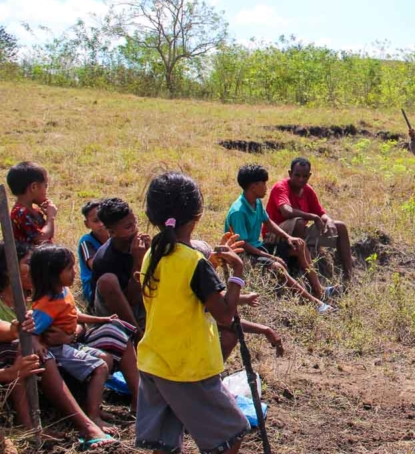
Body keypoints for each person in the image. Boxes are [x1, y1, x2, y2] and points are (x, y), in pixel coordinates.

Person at [136, 171, 250, 454]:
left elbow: (179, 289)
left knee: (166, 443)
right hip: (187, 368)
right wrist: (237, 273)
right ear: (198, 215)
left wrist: (208, 265)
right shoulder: (195, 264)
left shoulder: (155, 251)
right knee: (232, 435)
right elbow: (225, 315)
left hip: (154, 361)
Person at [30, 245, 127, 434]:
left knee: (105, 358)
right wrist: (37, 343)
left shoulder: (64, 293)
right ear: (53, 273)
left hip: (71, 344)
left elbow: (75, 315)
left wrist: (102, 319)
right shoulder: (46, 305)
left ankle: (93, 406)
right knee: (100, 367)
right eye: (69, 268)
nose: (75, 271)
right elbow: (31, 331)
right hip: (57, 350)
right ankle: (93, 416)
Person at [225, 164, 336, 314]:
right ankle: (316, 303)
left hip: (258, 247)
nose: (266, 187)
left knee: (299, 245)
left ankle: (319, 290)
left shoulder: (256, 202)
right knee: (277, 266)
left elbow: (268, 222)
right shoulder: (238, 211)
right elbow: (243, 244)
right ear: (253, 187)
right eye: (263, 183)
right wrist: (269, 256)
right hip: (243, 254)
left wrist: (288, 237)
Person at [191, 240, 284, 360]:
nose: (217, 264)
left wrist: (245, 299)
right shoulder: (193, 285)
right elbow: (225, 319)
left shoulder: (192, 279)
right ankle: (206, 375)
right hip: (182, 346)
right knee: (228, 335)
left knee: (228, 336)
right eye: (212, 262)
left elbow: (217, 299)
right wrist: (237, 268)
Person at [265, 157, 353, 281]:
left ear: (309, 176)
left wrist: (329, 221)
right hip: (275, 236)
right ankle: (299, 269)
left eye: (305, 176)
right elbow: (286, 212)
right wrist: (313, 217)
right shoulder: (281, 187)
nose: (301, 179)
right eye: (297, 175)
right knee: (299, 222)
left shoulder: (307, 190)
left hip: (298, 234)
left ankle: (349, 276)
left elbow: (321, 213)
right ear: (290, 173)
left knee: (340, 226)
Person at [91, 198, 150, 341]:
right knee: (108, 281)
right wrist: (139, 262)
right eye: (128, 227)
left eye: (135, 222)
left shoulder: (138, 246)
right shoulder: (105, 259)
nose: (135, 229)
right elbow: (130, 301)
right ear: (112, 232)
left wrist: (152, 253)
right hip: (117, 316)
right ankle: (137, 336)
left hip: (143, 307)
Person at [6, 161, 57, 245]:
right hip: (30, 257)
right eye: (45, 186)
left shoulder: (34, 210)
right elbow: (41, 239)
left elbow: (49, 235)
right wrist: (51, 217)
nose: (46, 190)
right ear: (34, 187)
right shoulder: (20, 212)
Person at [78, 200, 109, 304]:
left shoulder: (116, 236)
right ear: (87, 224)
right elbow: (96, 267)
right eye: (96, 221)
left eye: (103, 219)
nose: (101, 224)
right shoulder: (86, 241)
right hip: (94, 288)